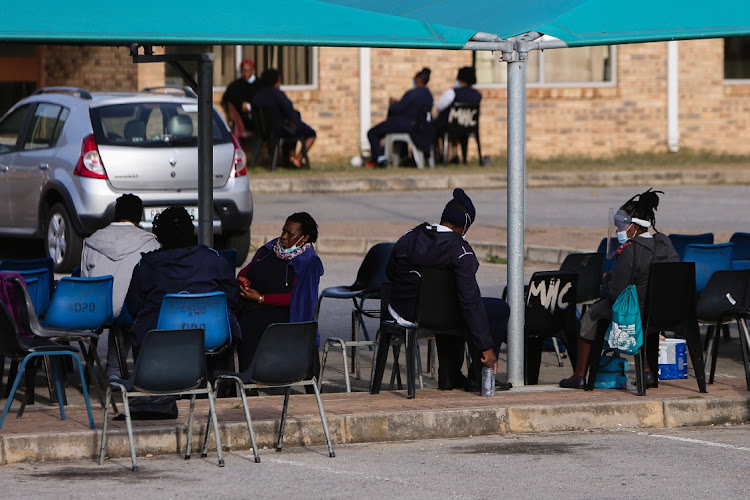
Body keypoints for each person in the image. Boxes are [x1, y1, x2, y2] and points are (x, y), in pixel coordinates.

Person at [385, 188, 511, 392]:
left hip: (404, 313)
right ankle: (478, 376)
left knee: (450, 305)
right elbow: (470, 300)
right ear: (464, 227)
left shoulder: (409, 236)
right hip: (440, 316)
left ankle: (450, 375)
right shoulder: (461, 251)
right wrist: (485, 346)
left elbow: (390, 272)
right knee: (496, 309)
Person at [559, 188, 680, 389]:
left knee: (592, 314)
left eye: (621, 226)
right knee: (645, 320)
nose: (618, 231)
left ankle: (579, 375)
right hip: (665, 310)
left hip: (636, 311)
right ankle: (647, 371)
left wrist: (607, 281)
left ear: (634, 226)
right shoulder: (664, 243)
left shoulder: (630, 250)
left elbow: (617, 293)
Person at [125, 206, 241, 353]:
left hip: (159, 341)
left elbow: (134, 307)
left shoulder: (147, 265)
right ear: (191, 231)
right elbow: (233, 299)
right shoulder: (214, 259)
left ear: (158, 233)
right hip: (212, 338)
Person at [80, 193, 160, 377]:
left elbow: (85, 281)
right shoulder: (150, 241)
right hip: (129, 312)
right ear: (139, 216)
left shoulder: (91, 241)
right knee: (133, 306)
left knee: (119, 305)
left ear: (115, 214)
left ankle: (114, 371)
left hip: (94, 310)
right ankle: (116, 370)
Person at [236, 212, 324, 374]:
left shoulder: (308, 262)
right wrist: (244, 280)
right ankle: (244, 380)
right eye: (283, 231)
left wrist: (262, 298)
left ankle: (253, 377)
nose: (283, 237)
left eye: (290, 234)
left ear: (304, 238)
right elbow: (246, 271)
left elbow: (299, 299)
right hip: (253, 305)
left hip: (285, 314)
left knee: (249, 323)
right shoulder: (270, 249)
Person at [365, 67, 434, 168]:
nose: (413, 80)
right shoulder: (428, 94)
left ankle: (379, 159)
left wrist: (393, 103)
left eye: (414, 78)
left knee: (372, 132)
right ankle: (403, 157)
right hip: (420, 126)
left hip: (405, 124)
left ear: (419, 78)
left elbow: (397, 108)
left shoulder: (412, 93)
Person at [251, 68, 316, 168]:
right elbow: (290, 113)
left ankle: (290, 158)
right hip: (280, 130)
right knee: (310, 133)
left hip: (264, 131)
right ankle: (297, 160)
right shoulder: (278, 94)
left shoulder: (258, 95)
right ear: (276, 81)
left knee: (292, 128)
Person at [433, 66, 482, 163]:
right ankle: (460, 158)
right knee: (462, 134)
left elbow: (438, 106)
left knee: (434, 127)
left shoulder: (452, 92)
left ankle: (438, 157)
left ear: (459, 78)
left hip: (450, 126)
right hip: (470, 127)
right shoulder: (477, 94)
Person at [221, 59, 259, 132]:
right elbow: (227, 97)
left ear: (252, 71)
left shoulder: (259, 84)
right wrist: (241, 104)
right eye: (243, 71)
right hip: (242, 118)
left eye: (248, 70)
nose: (245, 73)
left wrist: (250, 106)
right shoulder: (236, 85)